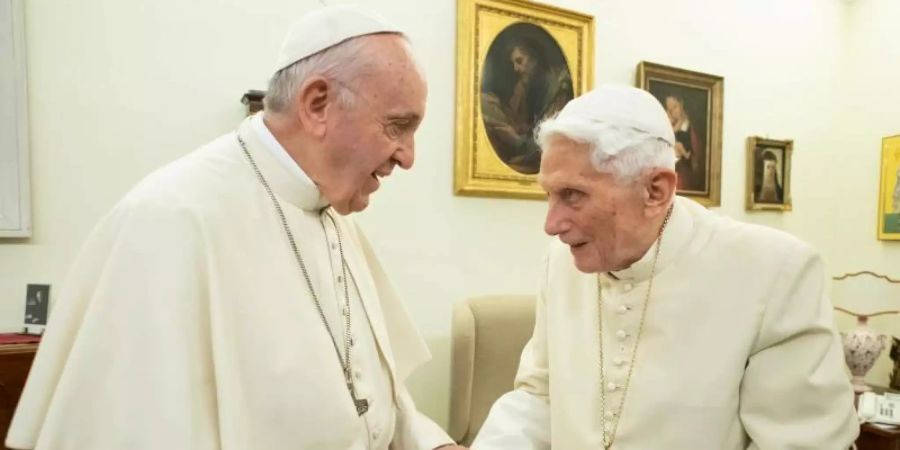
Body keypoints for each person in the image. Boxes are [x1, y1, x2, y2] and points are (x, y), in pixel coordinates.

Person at [6, 5, 465, 450]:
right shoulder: (171, 222)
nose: (408, 156)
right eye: (397, 126)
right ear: (317, 104)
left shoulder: (329, 208)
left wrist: (430, 444)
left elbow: (366, 397)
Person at [472, 85, 858, 449]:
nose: (551, 224)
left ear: (655, 190)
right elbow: (539, 395)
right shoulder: (560, 263)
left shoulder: (774, 272)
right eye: (549, 195)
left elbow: (802, 442)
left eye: (572, 195)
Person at [482, 36, 572, 175]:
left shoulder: (559, 87)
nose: (516, 69)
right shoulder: (525, 86)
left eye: (520, 61)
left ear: (535, 58)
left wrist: (517, 141)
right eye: (513, 64)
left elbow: (551, 141)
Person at [664, 94, 705, 191]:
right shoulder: (669, 125)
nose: (673, 112)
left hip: (686, 174)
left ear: (681, 104)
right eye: (670, 110)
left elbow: (698, 154)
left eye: (675, 107)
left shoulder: (691, 125)